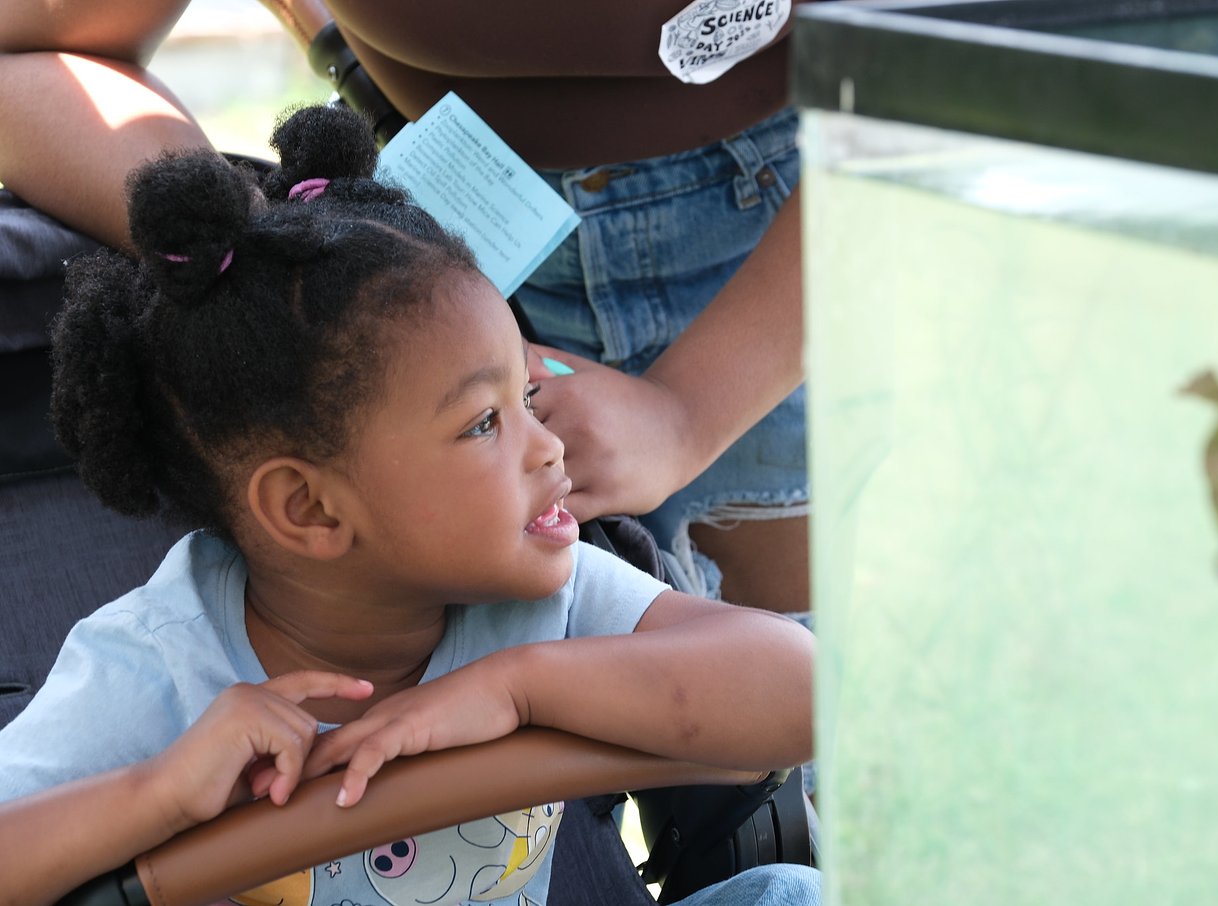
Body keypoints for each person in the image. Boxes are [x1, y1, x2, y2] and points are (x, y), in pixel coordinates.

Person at [0, 104, 817, 906]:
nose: (548, 445)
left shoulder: (543, 603)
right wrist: (157, 793)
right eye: (484, 423)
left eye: (530, 395)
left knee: (790, 893)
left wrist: (518, 689)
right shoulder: (160, 670)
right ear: (311, 510)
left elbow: (805, 690)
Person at [0, 0, 813, 614]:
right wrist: (261, 251)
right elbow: (44, 45)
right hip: (415, 257)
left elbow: (933, 82)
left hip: (798, 262)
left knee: (805, 754)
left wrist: (689, 412)